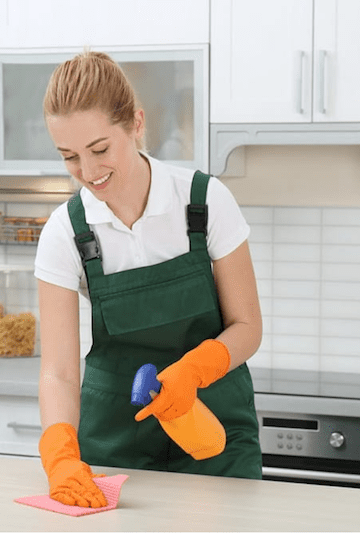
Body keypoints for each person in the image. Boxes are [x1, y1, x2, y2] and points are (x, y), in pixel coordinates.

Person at [34, 50, 263, 508]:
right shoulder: (66, 230)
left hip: (213, 430)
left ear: (136, 124)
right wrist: (60, 456)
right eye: (70, 157)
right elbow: (59, 372)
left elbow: (247, 327)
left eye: (100, 149)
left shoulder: (203, 201)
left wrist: (191, 373)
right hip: (116, 440)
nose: (90, 172)